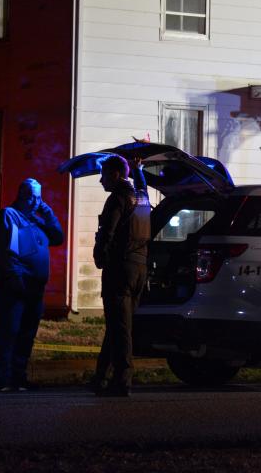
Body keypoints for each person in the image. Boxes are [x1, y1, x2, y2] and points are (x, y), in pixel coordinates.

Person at [0, 178, 63, 392]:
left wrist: (46, 210)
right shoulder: (9, 216)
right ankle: (2, 378)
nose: (35, 201)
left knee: (27, 334)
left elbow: (57, 236)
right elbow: (7, 252)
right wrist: (16, 279)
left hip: (35, 286)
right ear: (21, 194)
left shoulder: (35, 219)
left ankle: (18, 377)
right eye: (31, 196)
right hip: (15, 285)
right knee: (10, 331)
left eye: (39, 197)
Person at [91, 155, 151, 397]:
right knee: (119, 325)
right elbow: (143, 186)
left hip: (120, 268)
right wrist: (138, 171)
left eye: (104, 174)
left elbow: (108, 231)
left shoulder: (117, 199)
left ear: (116, 174)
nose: (101, 180)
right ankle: (101, 376)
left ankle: (122, 380)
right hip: (140, 268)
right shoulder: (142, 197)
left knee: (120, 327)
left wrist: (100, 256)